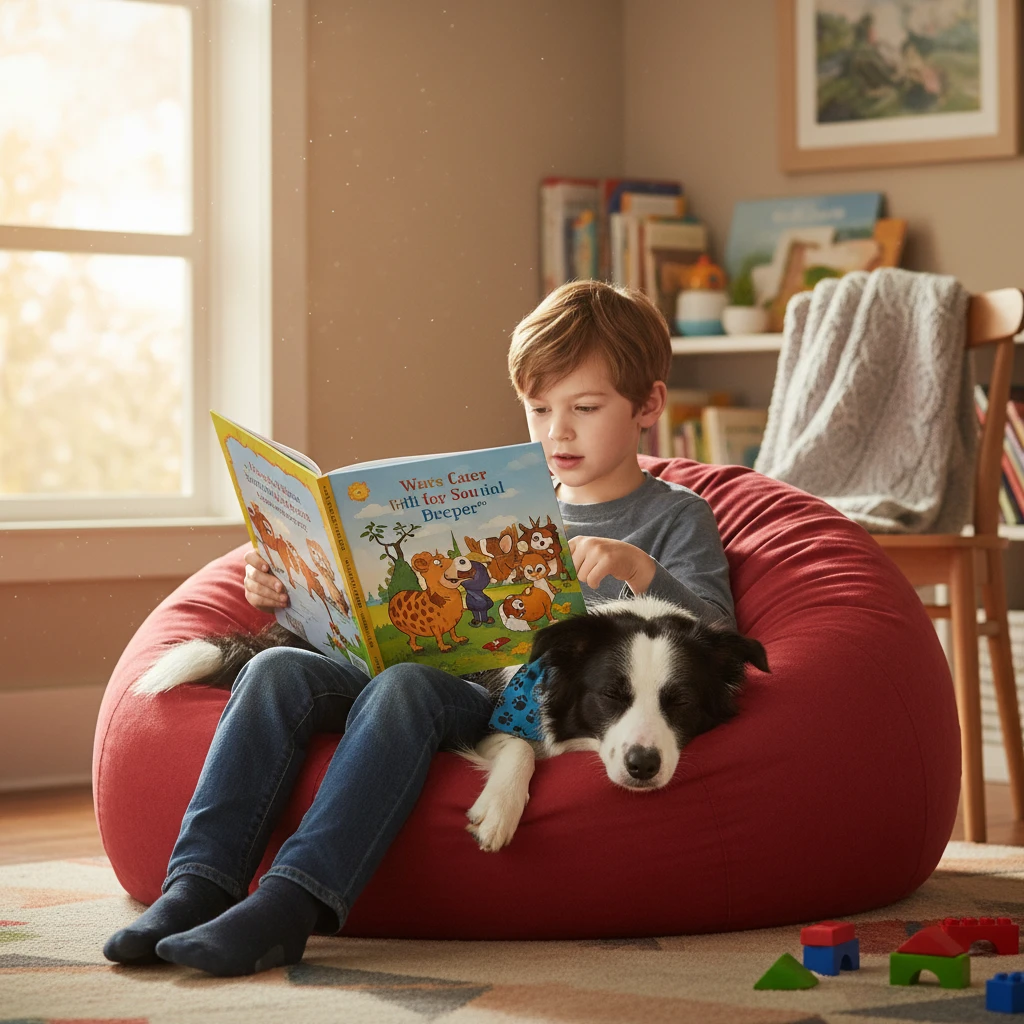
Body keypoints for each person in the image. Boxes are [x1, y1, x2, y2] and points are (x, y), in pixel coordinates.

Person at [102, 279, 734, 977]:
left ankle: (291, 902)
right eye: (539, 407)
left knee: (405, 687)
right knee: (273, 670)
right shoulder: (512, 502)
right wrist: (285, 591)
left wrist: (639, 569)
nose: (558, 430)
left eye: (585, 408)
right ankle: (198, 882)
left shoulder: (676, 517)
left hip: (483, 701)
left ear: (648, 404)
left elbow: (712, 634)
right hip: (405, 660)